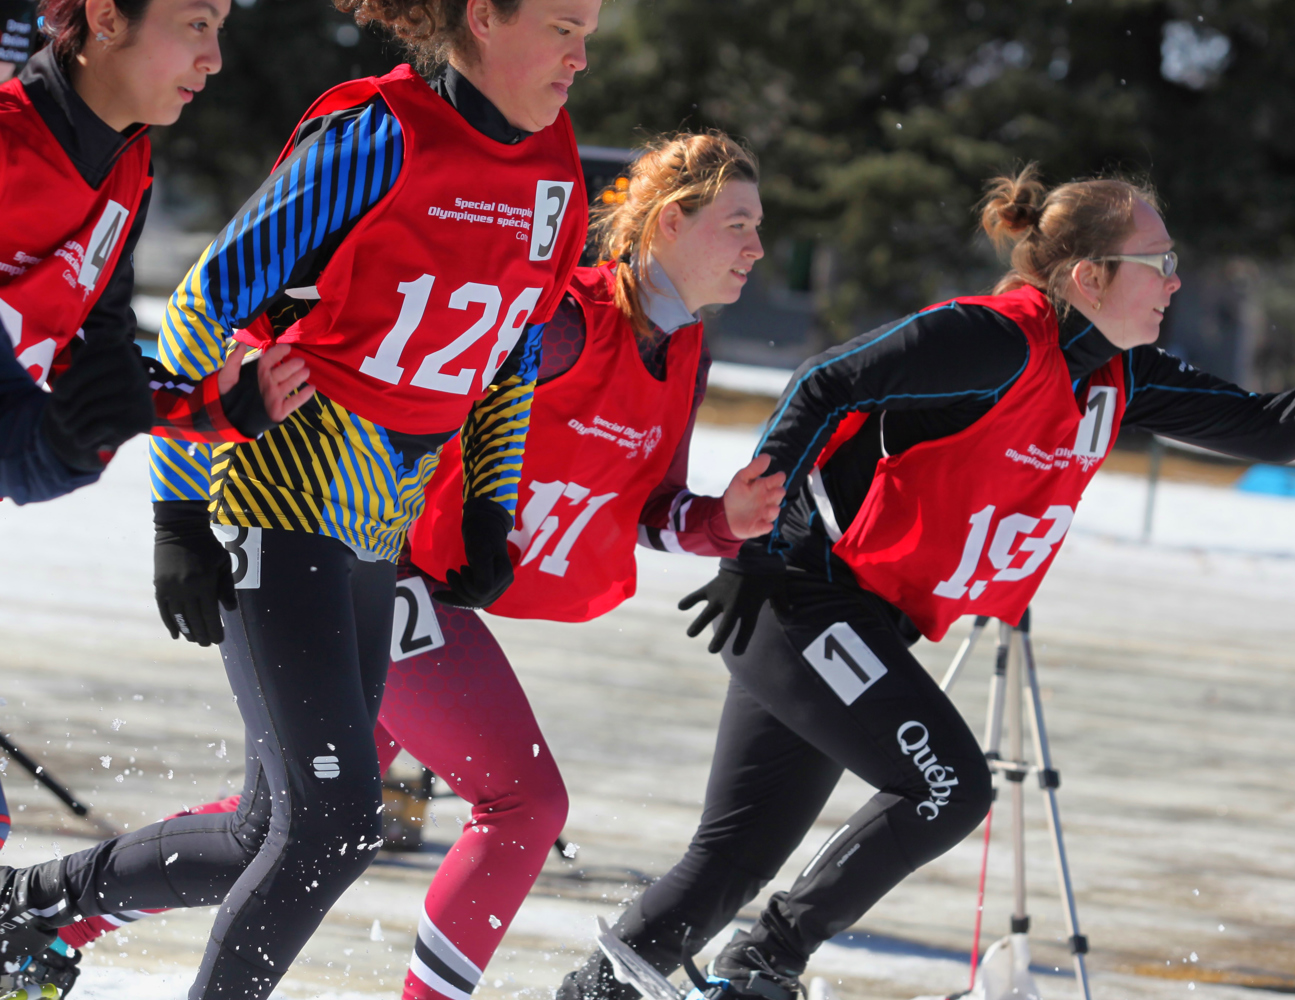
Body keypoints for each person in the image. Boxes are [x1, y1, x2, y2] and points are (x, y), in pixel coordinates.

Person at [558, 168, 1295, 1000]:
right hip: (799, 601)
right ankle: (764, 963)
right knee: (947, 785)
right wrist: (752, 550)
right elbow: (823, 382)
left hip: (856, 620)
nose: (1176, 280)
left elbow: (1265, 428)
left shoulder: (1118, 374)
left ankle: (593, 991)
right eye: (1158, 263)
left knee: (727, 863)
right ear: (1089, 277)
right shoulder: (996, 338)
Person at [53, 130, 789, 1000]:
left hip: (415, 582)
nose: (758, 247)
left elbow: (638, 509)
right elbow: (436, 388)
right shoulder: (566, 320)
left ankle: (45, 907)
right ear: (670, 223)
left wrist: (720, 523)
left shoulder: (680, 350)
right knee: (521, 804)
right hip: (379, 560)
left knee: (276, 833)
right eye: (739, 223)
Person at [0, 0, 598, 996]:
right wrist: (181, 513)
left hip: (376, 529)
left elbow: (516, 349)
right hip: (280, 499)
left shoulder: (554, 164)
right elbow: (206, 298)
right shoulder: (380, 134)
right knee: (329, 828)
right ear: (483, 20)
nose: (581, 54)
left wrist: (489, 503)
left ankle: (30, 906)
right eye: (564, 26)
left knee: (269, 832)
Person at [1, 0, 312, 506]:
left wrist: (218, 404)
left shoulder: (129, 161)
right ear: (106, 18)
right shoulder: (8, 139)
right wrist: (48, 448)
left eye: (218, 29)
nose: (213, 58)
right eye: (196, 23)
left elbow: (95, 355)